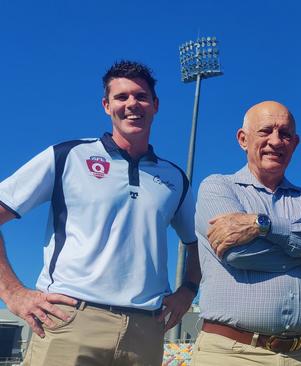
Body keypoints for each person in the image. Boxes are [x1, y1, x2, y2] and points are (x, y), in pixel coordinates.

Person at [0, 60, 201, 366]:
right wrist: (13, 292)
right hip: (71, 321)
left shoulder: (174, 178)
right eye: (121, 97)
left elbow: (199, 242)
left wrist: (188, 291)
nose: (132, 104)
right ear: (107, 106)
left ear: (155, 105)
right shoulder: (68, 156)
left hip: (145, 330)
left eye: (141, 96)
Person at [192, 100, 301, 366]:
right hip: (233, 353)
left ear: (295, 143)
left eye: (285, 134)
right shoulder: (218, 186)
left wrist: (264, 226)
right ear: (243, 139)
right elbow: (239, 252)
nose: (276, 141)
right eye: (266, 131)